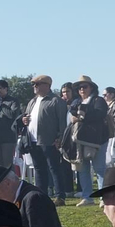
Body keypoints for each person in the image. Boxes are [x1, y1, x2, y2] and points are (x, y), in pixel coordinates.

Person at [21, 74, 70, 204]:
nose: (34, 87)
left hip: (49, 140)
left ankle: (60, 196)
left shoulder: (56, 101)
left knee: (54, 168)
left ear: (47, 85)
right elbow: (26, 116)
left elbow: (62, 122)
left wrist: (60, 138)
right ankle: (40, 195)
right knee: (39, 168)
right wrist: (24, 120)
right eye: (33, 84)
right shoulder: (33, 101)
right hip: (33, 140)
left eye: (37, 84)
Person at [69, 79, 111, 206]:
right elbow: (71, 114)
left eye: (84, 86)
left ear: (91, 88)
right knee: (83, 169)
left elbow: (99, 115)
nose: (82, 89)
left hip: (97, 139)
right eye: (79, 88)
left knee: (99, 168)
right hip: (80, 140)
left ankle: (103, 197)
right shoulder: (76, 102)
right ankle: (87, 196)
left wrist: (81, 116)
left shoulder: (99, 100)